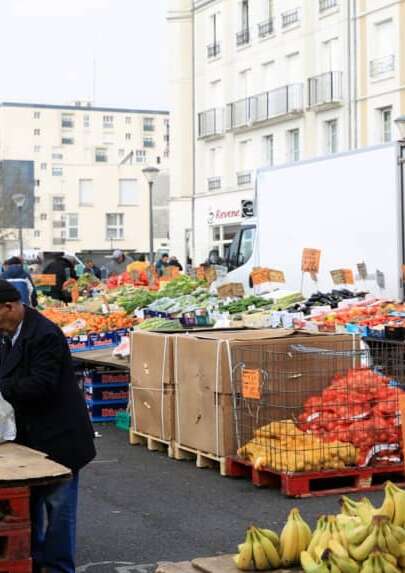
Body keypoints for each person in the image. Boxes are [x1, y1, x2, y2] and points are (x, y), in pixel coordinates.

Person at [0, 280, 95, 573]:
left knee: (59, 510)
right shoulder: (9, 333)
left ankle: (58, 568)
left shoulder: (45, 335)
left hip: (60, 439)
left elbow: (41, 385)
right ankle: (37, 562)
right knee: (31, 509)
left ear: (9, 307)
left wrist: (2, 388)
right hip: (32, 440)